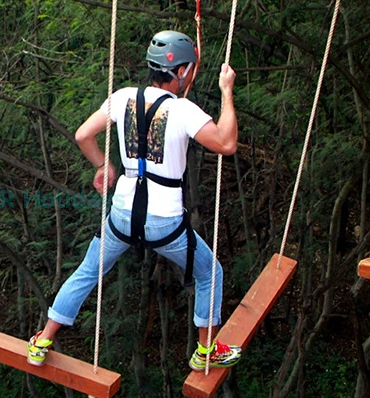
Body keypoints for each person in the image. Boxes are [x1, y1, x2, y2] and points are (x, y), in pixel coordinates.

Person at [26, 30, 240, 372]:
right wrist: (227, 92)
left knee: (87, 271)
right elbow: (227, 143)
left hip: (122, 215)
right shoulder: (183, 110)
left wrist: (103, 165)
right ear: (182, 72)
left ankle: (42, 340)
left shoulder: (124, 96)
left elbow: (83, 134)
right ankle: (205, 350)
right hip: (165, 222)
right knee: (209, 273)